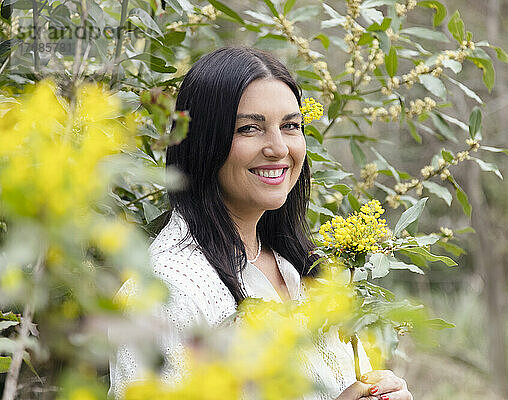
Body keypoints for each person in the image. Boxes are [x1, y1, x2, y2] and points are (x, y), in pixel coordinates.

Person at [109, 47, 413, 400]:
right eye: (250, 128)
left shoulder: (302, 267)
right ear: (203, 141)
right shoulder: (161, 290)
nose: (278, 147)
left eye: (290, 126)